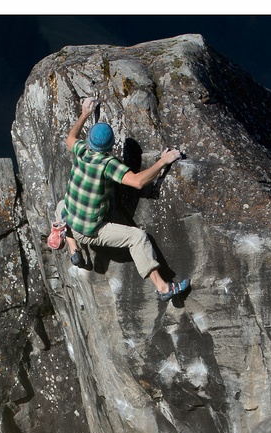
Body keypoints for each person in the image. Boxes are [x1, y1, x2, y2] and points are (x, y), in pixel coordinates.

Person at [55, 97, 189, 302]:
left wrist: (84, 114)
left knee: (61, 205)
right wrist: (164, 161)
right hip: (91, 232)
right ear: (110, 145)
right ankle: (163, 288)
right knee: (138, 238)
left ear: (89, 141)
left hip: (71, 222)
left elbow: (70, 138)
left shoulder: (80, 150)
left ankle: (74, 250)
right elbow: (137, 182)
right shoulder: (108, 164)